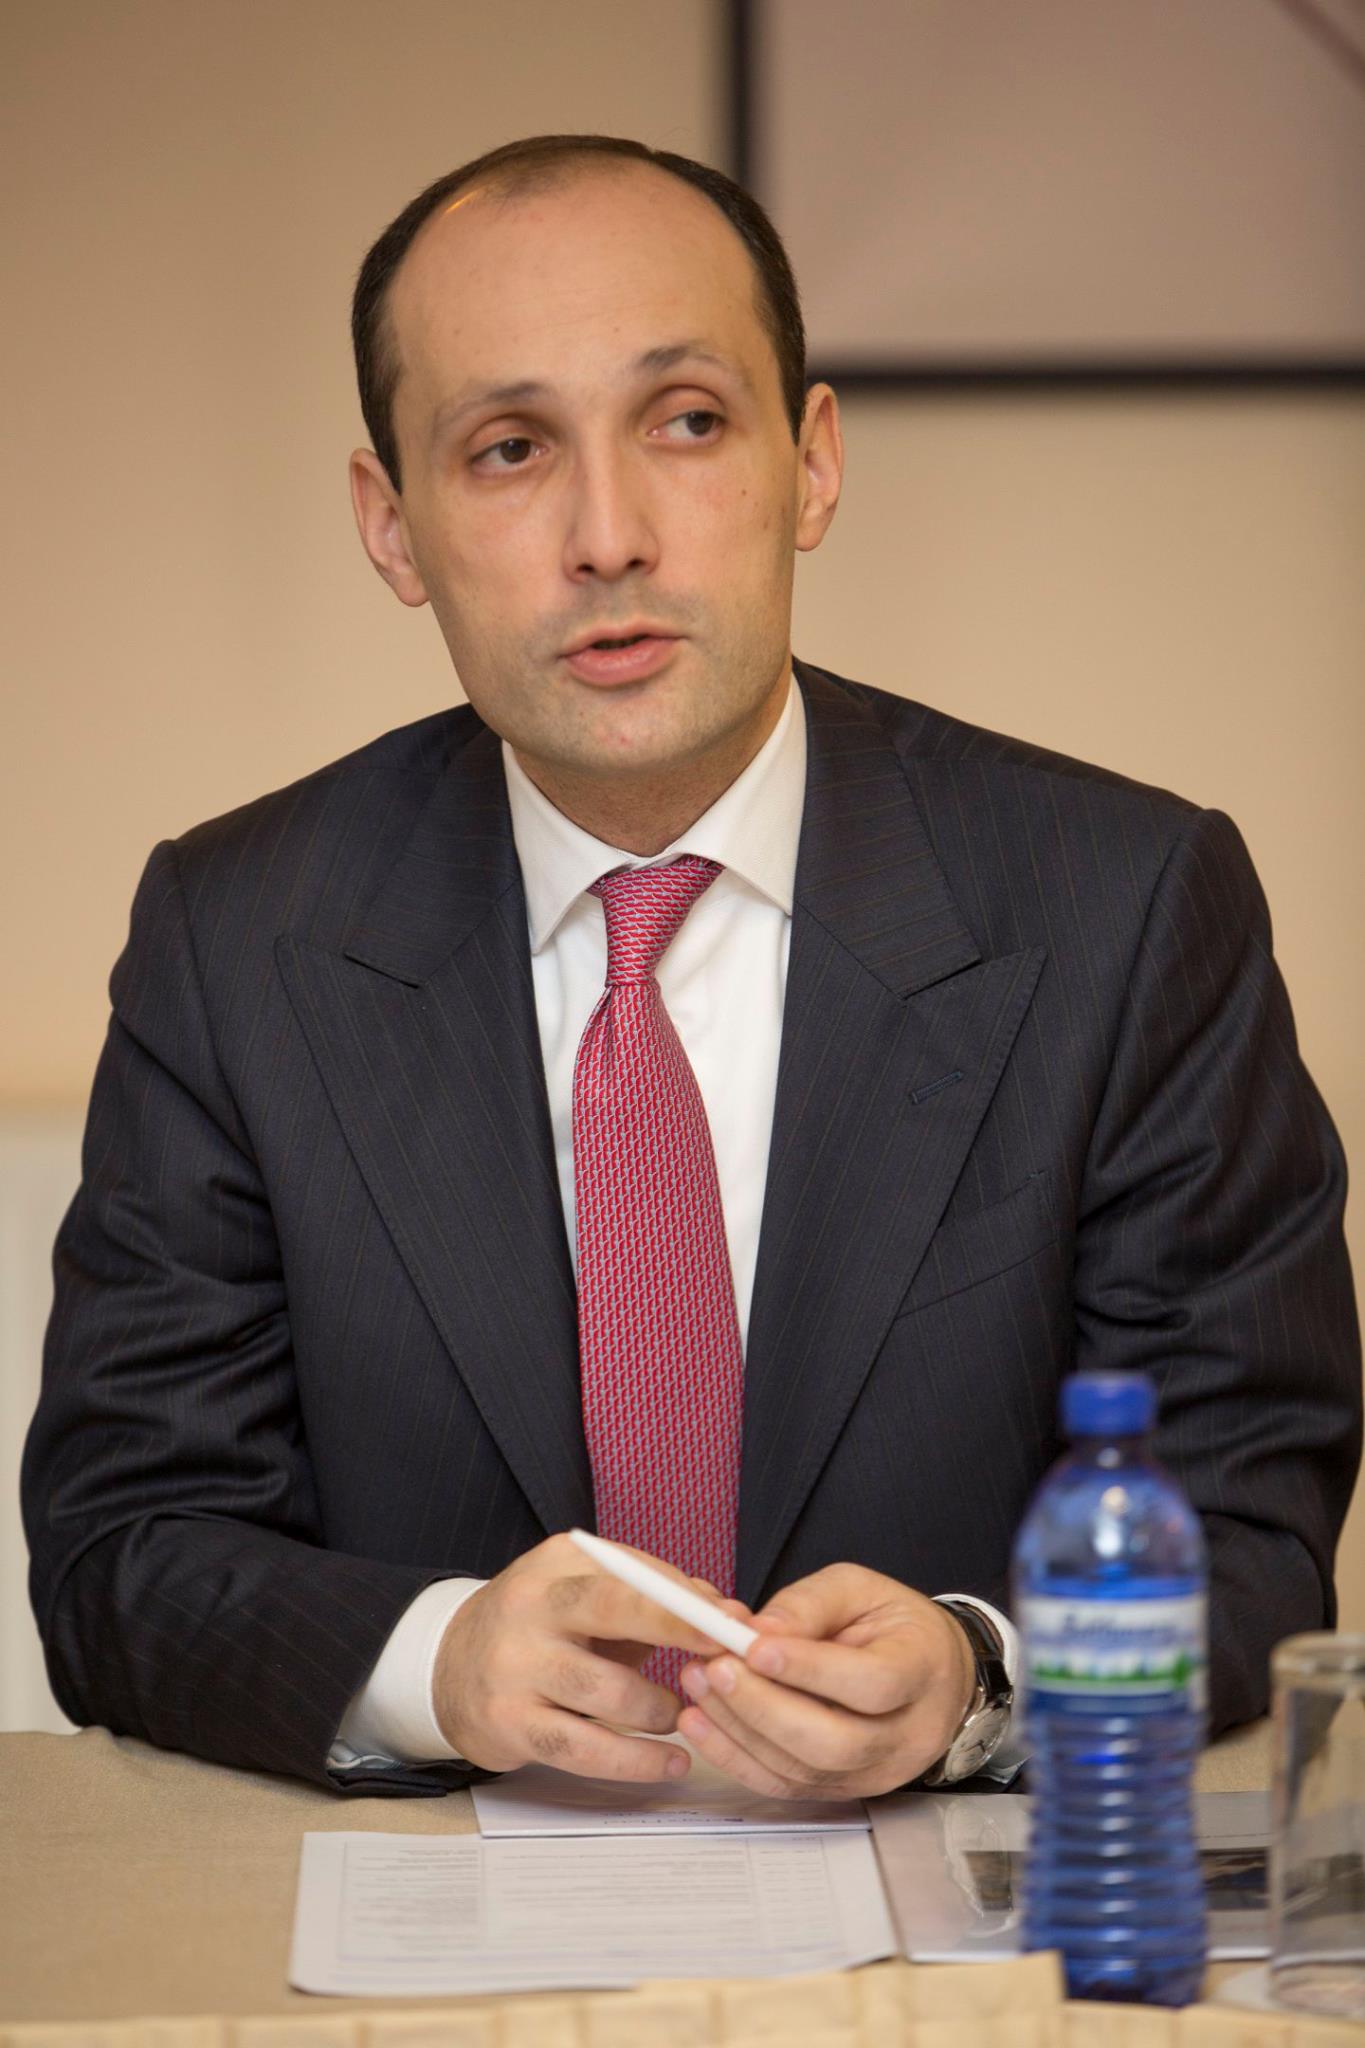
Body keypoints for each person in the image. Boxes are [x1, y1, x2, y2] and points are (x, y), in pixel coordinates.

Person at [23, 134, 1360, 1804]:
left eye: (685, 421)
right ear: (393, 527)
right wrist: (434, 1661)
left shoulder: (1126, 904)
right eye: (509, 450)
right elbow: (124, 1550)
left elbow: (1246, 1519)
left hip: (945, 1906)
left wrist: (979, 1674)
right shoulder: (235, 938)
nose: (609, 535)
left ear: (810, 463)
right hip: (429, 1908)